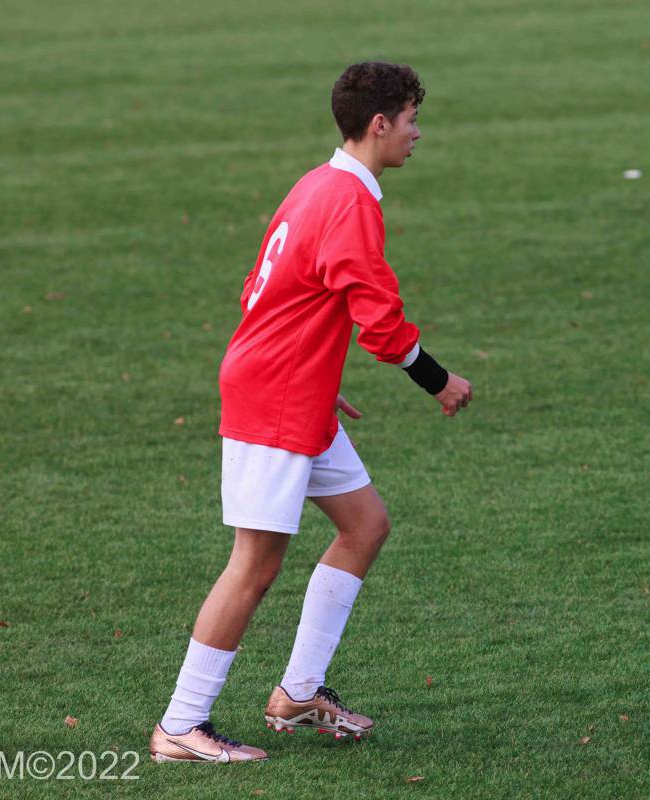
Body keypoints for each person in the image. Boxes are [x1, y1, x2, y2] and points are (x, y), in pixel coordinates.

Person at [149, 61, 473, 763]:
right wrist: (439, 381)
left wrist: (317, 378)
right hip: (276, 398)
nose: (418, 134)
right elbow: (380, 323)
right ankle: (180, 725)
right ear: (379, 124)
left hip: (292, 389)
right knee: (255, 564)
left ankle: (298, 692)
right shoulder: (350, 200)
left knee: (365, 525)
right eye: (412, 120)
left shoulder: (317, 183)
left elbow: (262, 290)